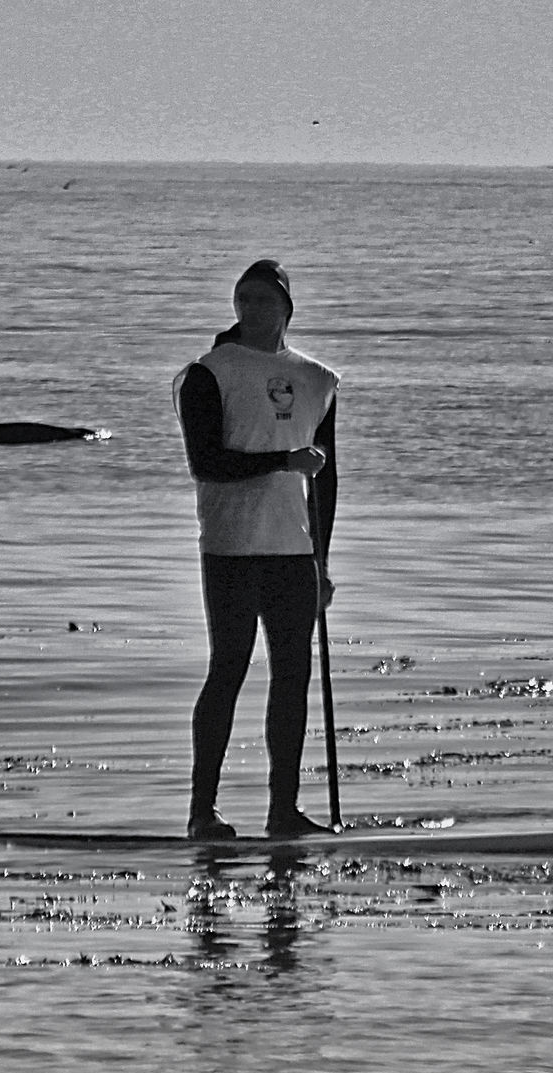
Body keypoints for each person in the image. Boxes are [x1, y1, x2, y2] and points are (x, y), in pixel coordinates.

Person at [173, 260, 340, 839]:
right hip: (230, 547)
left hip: (294, 550)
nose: (251, 309)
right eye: (243, 298)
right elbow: (207, 464)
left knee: (293, 677)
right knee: (228, 670)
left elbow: (328, 477)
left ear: (287, 308)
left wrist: (322, 560)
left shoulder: (318, 379)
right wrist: (283, 462)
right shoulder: (206, 374)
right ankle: (202, 813)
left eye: (264, 301)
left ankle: (283, 812)